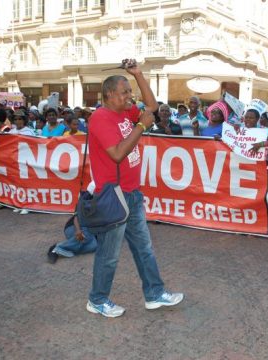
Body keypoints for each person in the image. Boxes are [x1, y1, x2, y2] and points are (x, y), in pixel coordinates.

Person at [87, 58, 184, 318]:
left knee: (144, 248)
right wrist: (142, 125)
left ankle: (154, 294)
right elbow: (118, 153)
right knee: (109, 255)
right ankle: (97, 299)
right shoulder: (101, 118)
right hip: (113, 196)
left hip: (131, 193)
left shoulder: (125, 112)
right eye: (125, 92)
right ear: (109, 95)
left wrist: (138, 74)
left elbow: (151, 106)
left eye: (130, 91)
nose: (131, 97)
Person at [47, 182, 97, 263]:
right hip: (73, 228)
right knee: (86, 235)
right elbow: (76, 218)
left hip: (88, 230)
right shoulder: (85, 200)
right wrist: (78, 231)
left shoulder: (102, 201)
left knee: (94, 246)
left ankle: (66, 249)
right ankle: (56, 249)